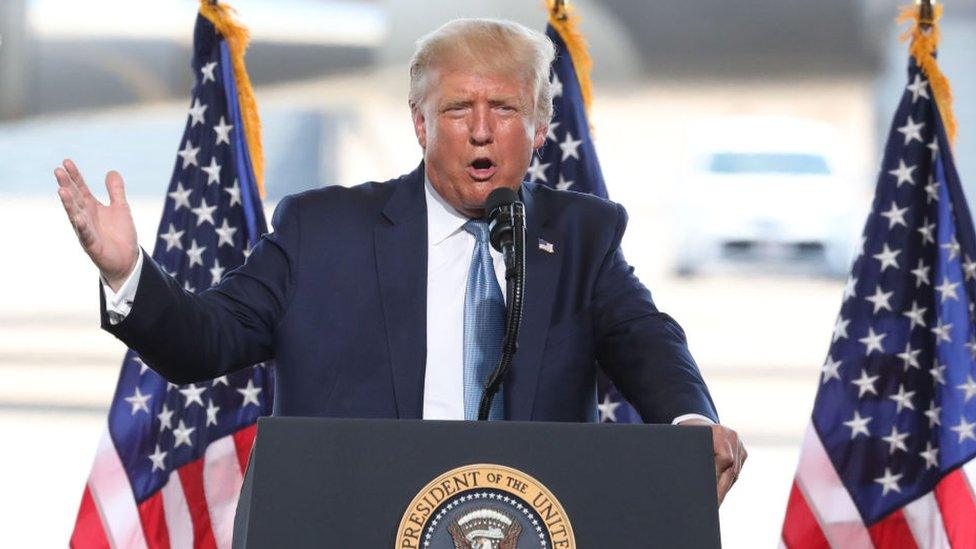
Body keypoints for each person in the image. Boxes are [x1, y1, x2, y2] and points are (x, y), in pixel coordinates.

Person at [54, 18, 745, 503]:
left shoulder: (581, 235)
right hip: (354, 522)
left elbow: (650, 343)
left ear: (537, 126)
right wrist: (126, 272)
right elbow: (202, 341)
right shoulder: (322, 230)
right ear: (419, 123)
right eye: (457, 108)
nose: (480, 129)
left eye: (503, 107)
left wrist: (690, 424)